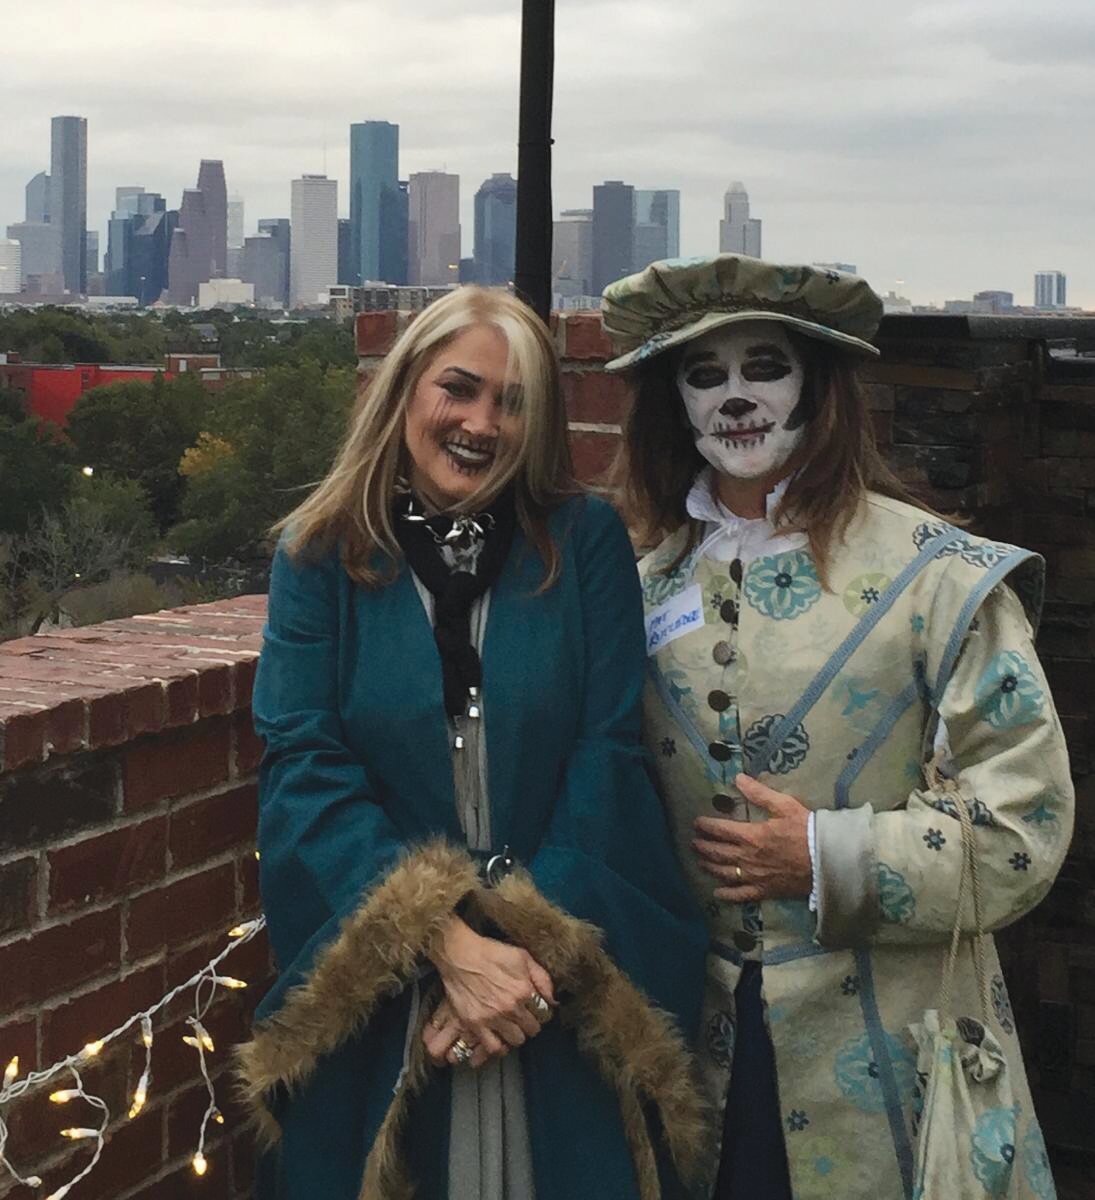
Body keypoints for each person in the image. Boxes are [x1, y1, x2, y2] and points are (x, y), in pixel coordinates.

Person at [602, 254, 1073, 1200]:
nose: (735, 399)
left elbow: (1025, 827)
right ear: (675, 404)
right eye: (705, 375)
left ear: (815, 385)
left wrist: (823, 856)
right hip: (699, 1064)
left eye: (762, 367)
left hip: (895, 1065)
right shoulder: (638, 589)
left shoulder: (941, 581)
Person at [236, 286, 708, 1200]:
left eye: (514, 402)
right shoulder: (319, 554)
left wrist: (512, 960)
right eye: (460, 388)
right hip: (386, 994)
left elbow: (606, 750)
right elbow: (303, 763)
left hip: (555, 980)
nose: (482, 423)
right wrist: (441, 945)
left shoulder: (584, 545)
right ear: (406, 388)